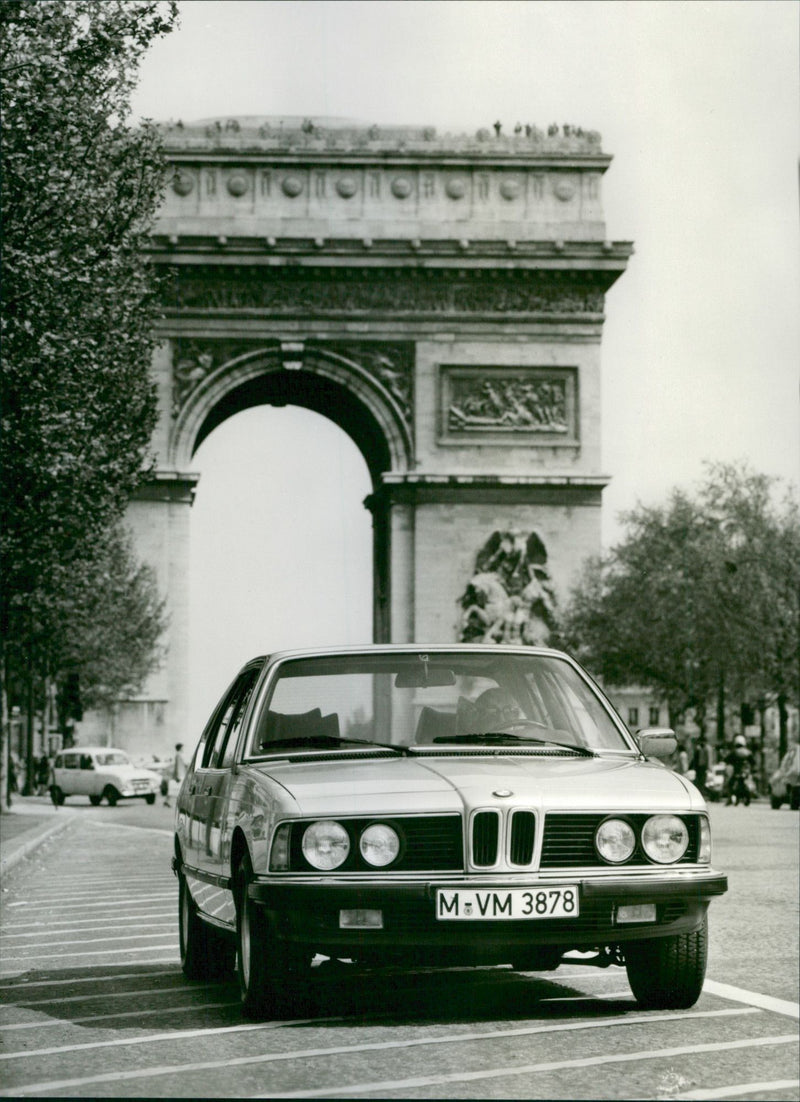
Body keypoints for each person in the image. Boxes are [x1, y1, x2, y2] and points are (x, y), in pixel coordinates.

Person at [724, 734, 753, 806]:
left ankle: (730, 799)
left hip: (737, 772)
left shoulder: (734, 752)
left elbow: (727, 760)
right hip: (746, 772)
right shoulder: (748, 752)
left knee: (730, 784)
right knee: (750, 782)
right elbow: (753, 762)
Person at [163, 742, 187, 806]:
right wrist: (178, 775)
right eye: (182, 748)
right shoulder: (179, 755)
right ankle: (180, 802)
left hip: (180, 773)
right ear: (180, 748)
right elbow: (178, 765)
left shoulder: (178, 755)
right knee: (180, 788)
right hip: (180, 774)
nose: (183, 749)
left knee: (173, 788)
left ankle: (167, 801)